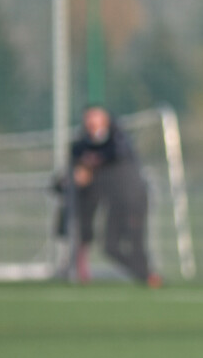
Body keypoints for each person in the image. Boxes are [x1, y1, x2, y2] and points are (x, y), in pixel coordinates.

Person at [69, 105, 161, 287]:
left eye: (97, 118)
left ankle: (149, 277)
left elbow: (114, 153)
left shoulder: (117, 140)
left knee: (135, 243)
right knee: (110, 246)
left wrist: (91, 162)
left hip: (133, 199)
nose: (92, 122)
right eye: (89, 118)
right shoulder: (81, 145)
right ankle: (145, 275)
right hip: (115, 203)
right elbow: (78, 165)